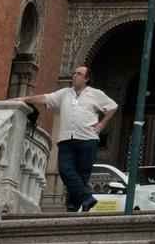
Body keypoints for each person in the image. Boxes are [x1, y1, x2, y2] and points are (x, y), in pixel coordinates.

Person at [9, 65, 117, 213]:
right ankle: (87, 197)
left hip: (88, 139)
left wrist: (102, 124)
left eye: (79, 74)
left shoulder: (95, 94)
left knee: (82, 175)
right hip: (66, 140)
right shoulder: (64, 93)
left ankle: (73, 206)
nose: (75, 76)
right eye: (74, 74)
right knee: (65, 171)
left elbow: (112, 106)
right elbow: (45, 98)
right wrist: (24, 99)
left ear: (86, 79)